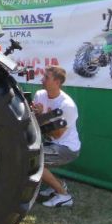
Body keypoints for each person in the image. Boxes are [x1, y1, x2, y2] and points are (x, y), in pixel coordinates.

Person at [32, 65, 81, 208]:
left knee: (34, 161)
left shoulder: (67, 105)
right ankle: (59, 184)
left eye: (47, 77)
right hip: (51, 143)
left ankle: (64, 196)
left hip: (67, 148)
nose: (42, 80)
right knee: (29, 154)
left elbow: (57, 134)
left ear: (57, 82)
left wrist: (41, 115)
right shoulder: (40, 94)